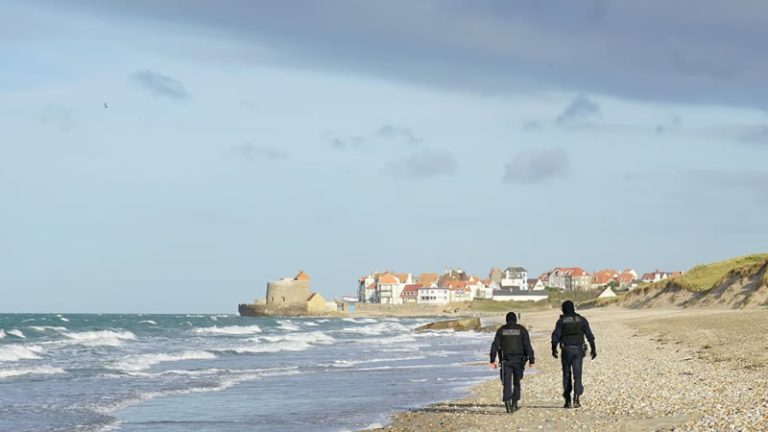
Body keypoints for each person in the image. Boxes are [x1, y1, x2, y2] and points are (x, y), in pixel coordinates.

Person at [550, 300, 596, 408]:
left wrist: (553, 349)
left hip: (566, 350)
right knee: (577, 375)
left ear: (564, 309)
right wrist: (593, 349)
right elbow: (589, 335)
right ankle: (576, 398)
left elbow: (555, 336)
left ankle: (567, 400)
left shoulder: (561, 321)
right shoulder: (581, 320)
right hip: (578, 350)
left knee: (567, 375)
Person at [489, 311, 535, 413]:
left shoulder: (502, 330)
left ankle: (507, 404)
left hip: (506, 361)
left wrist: (492, 360)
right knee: (517, 382)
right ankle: (514, 403)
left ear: (506, 320)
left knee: (507, 383)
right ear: (515, 319)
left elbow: (495, 345)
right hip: (519, 361)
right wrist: (531, 359)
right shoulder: (522, 330)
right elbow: (527, 345)